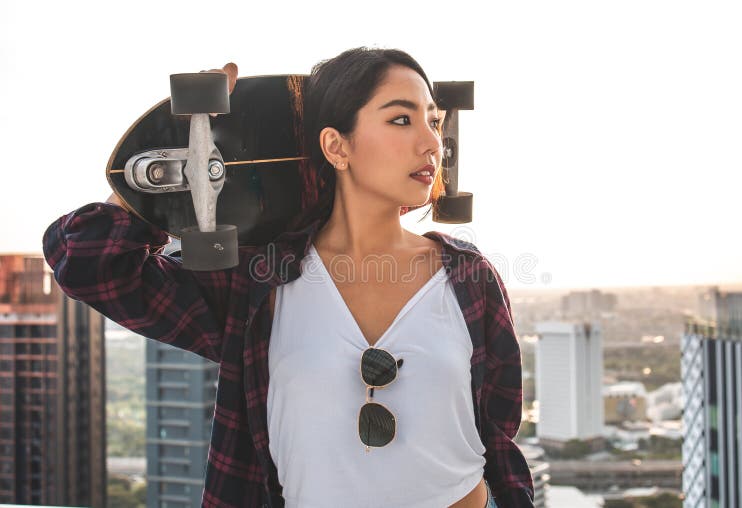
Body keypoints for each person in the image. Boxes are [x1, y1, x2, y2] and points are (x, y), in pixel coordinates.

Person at [42, 47, 534, 507]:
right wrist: (179, 154)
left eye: (433, 120)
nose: (431, 142)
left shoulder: (470, 278)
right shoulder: (259, 283)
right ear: (336, 146)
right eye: (401, 119)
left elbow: (499, 440)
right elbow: (88, 263)